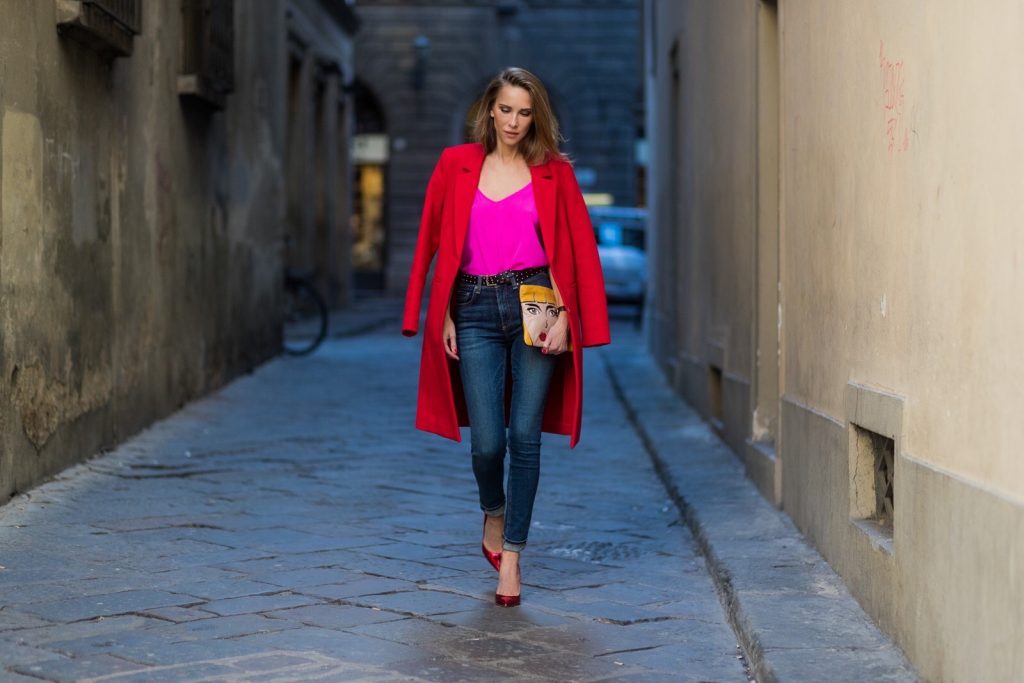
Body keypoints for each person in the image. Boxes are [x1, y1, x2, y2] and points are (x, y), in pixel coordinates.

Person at [402, 67, 610, 607]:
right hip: (471, 306)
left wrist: (569, 315)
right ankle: (493, 511)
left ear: (534, 116)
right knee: (488, 442)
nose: (515, 122)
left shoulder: (555, 172)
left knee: (525, 437)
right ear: (489, 110)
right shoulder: (456, 164)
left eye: (525, 112)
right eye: (506, 110)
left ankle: (512, 558)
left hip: (536, 305)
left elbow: (580, 248)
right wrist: (439, 312)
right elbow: (431, 236)